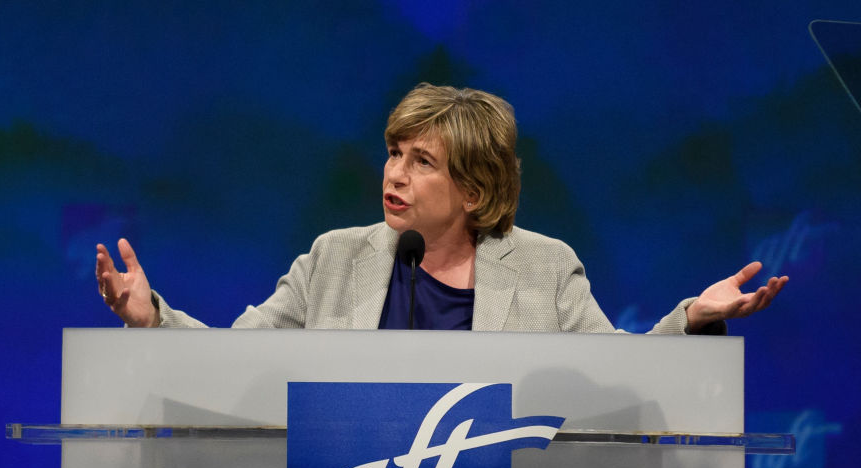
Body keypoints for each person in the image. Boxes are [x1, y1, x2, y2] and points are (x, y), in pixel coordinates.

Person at [96, 83, 786, 332]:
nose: (393, 174)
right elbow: (231, 364)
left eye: (420, 161)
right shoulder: (334, 258)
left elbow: (615, 385)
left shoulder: (547, 269)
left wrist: (691, 319)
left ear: (475, 191)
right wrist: (151, 316)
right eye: (393, 153)